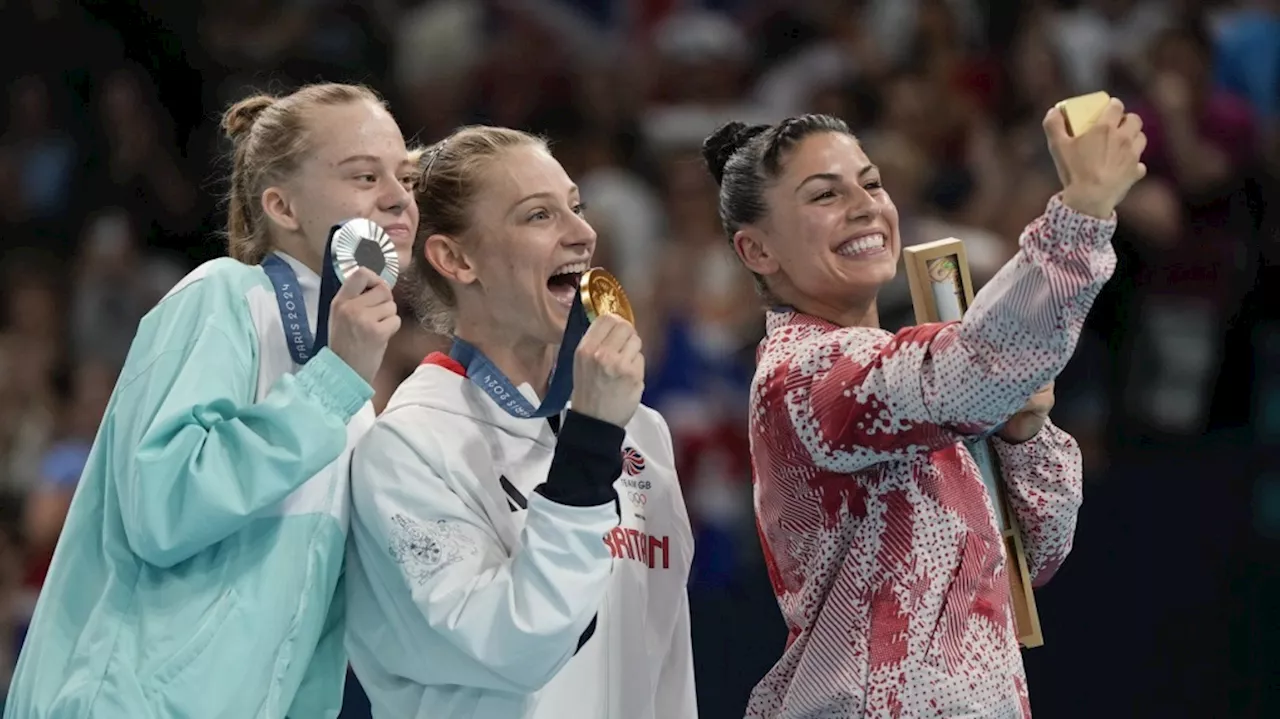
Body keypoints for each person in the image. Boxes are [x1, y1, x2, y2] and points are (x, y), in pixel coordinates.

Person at [701, 100, 1145, 718]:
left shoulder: (909, 380)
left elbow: (1038, 553)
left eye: (871, 183)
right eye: (824, 196)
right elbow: (978, 370)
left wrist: (1024, 432)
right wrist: (1084, 208)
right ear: (757, 250)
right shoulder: (804, 377)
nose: (864, 205)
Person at [4, 82, 419, 719]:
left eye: (407, 177)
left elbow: (316, 622)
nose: (395, 196)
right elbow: (162, 508)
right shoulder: (222, 299)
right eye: (364, 175)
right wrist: (334, 378)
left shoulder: (351, 390)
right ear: (281, 205)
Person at [345, 125, 697, 719]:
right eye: (539, 216)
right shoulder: (409, 446)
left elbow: (666, 661)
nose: (583, 233)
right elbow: (518, 646)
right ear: (456, 258)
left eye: (575, 207)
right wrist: (588, 449)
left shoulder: (639, 430)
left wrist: (597, 428)